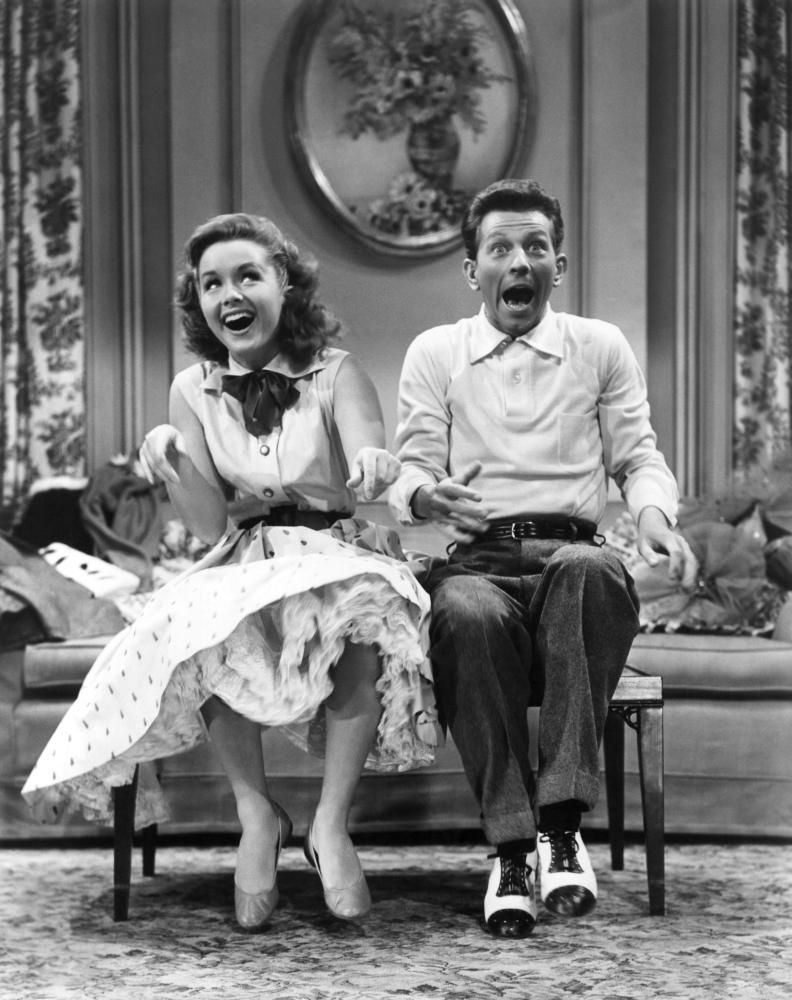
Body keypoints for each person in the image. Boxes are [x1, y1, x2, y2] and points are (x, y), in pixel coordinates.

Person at [23, 213, 436, 930]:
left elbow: (370, 459)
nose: (229, 294)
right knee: (201, 617)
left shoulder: (336, 372)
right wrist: (174, 463)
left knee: (364, 604)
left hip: (326, 545)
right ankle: (257, 814)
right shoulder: (193, 389)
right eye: (212, 284)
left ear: (286, 286)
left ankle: (329, 824)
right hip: (243, 553)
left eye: (248, 276)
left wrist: (375, 462)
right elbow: (209, 524)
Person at [388, 179, 698, 939]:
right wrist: (426, 496)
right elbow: (411, 468)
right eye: (500, 248)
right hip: (479, 561)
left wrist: (654, 518)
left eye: (535, 246)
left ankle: (559, 829)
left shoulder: (600, 346)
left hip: (574, 556)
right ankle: (512, 850)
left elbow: (639, 458)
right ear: (474, 271)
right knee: (460, 608)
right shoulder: (436, 352)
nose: (518, 261)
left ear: (558, 264)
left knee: (590, 570)